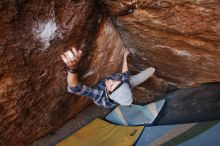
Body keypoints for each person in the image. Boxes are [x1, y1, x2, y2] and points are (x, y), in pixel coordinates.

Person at [61, 47, 155, 108]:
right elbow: (125, 74)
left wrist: (72, 68)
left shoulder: (100, 95)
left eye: (111, 85)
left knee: (128, 81)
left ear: (109, 93)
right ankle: (151, 71)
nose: (110, 80)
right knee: (151, 70)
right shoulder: (123, 83)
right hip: (130, 84)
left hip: (124, 88)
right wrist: (125, 56)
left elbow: (75, 88)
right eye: (116, 82)